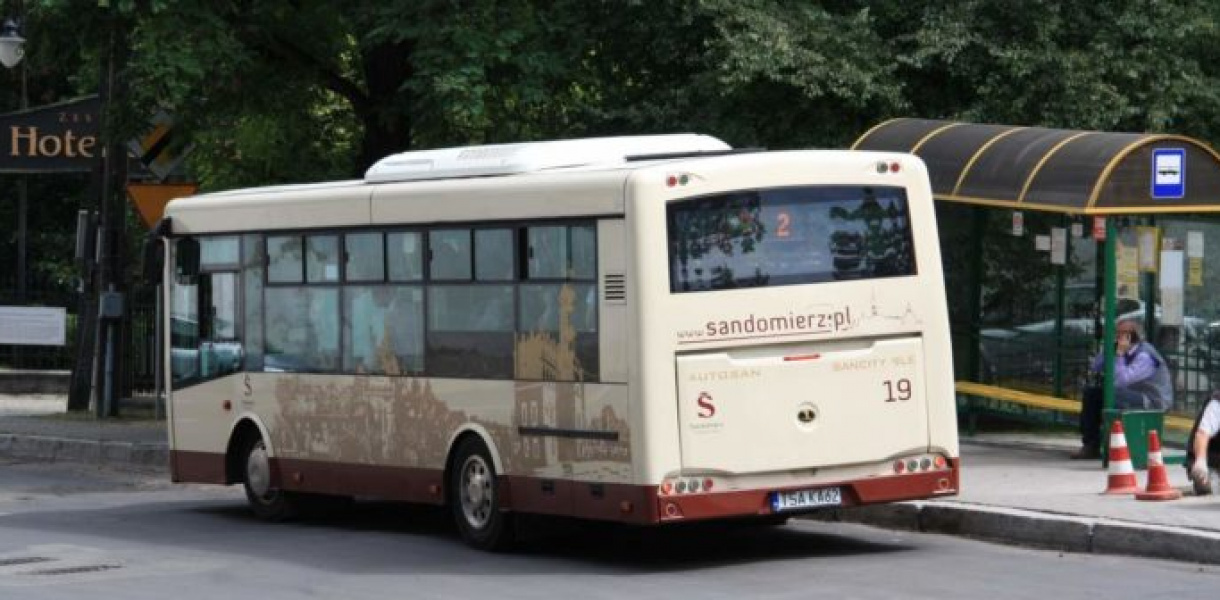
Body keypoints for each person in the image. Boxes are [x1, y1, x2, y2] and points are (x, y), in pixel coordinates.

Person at [1071, 319, 1174, 460]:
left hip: (1151, 400)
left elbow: (1121, 381)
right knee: (1092, 394)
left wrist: (1119, 355)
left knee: (1112, 394)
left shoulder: (1145, 355)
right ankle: (1091, 444)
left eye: (1121, 334)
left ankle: (1118, 443)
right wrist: (1108, 350)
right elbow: (1096, 366)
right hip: (1128, 394)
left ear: (1133, 336)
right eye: (1116, 333)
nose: (1117, 337)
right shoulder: (1121, 349)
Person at [1186, 393, 1220, 495]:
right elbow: (1202, 434)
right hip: (1211, 458)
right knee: (1206, 486)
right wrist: (1201, 461)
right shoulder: (1217, 403)